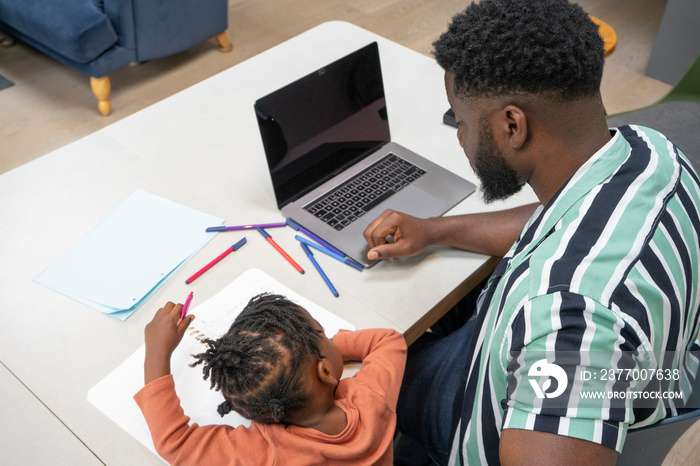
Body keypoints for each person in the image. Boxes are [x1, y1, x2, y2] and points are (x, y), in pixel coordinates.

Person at [363, 0, 700, 465]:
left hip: (485, 421)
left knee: (365, 377)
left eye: (461, 121)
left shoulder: (570, 322)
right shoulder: (653, 153)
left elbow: (574, 330)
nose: (459, 136)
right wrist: (432, 230)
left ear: (512, 125)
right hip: (656, 376)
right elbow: (566, 220)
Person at [134, 293, 407, 465]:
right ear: (325, 373)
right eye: (323, 332)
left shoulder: (267, 453)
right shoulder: (372, 398)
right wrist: (320, 352)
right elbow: (387, 341)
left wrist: (157, 354)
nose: (329, 337)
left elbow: (175, 444)